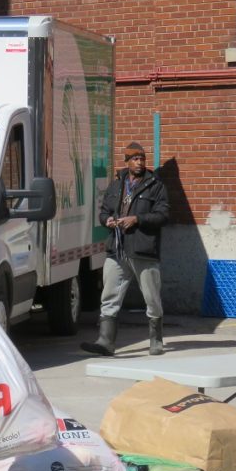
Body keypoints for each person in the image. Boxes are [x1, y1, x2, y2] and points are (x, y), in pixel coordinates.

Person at [81, 141, 169, 357]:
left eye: (142, 159)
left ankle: (156, 340)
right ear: (127, 162)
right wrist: (108, 220)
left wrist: (137, 219)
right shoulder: (117, 184)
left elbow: (163, 215)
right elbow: (103, 211)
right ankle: (105, 341)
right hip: (117, 248)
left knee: (151, 297)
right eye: (135, 159)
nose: (140, 163)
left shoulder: (156, 185)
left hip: (143, 249)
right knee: (109, 294)